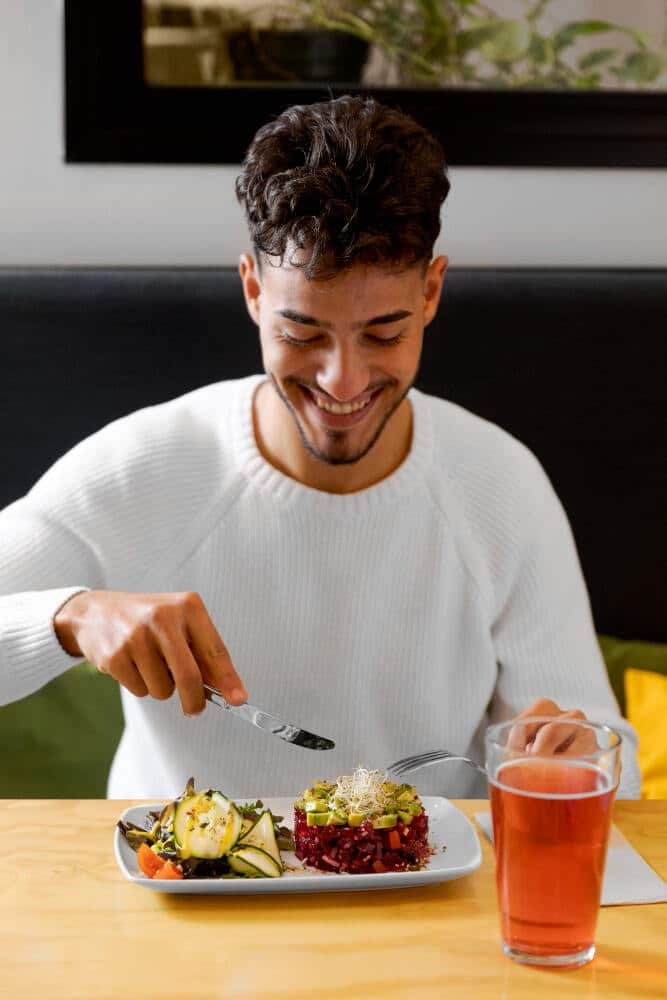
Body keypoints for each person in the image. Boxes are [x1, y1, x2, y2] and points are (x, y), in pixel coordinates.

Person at [0, 95, 639, 799]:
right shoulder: (147, 464)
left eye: (383, 333)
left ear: (430, 292)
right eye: (302, 334)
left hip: (423, 894)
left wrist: (577, 758)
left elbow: (609, 763)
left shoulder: (501, 484)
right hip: (181, 892)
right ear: (251, 288)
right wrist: (67, 617)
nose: (342, 381)